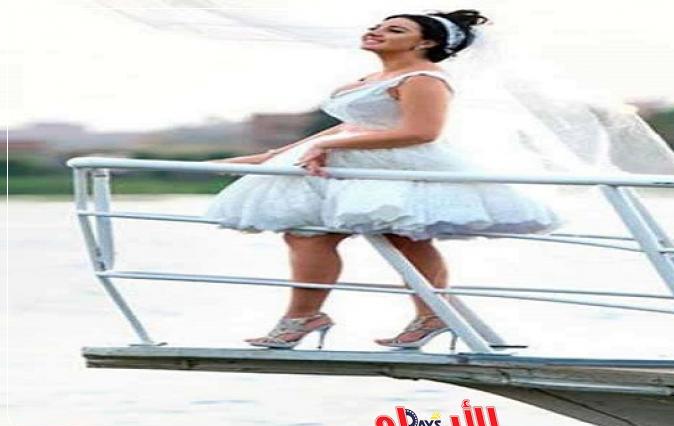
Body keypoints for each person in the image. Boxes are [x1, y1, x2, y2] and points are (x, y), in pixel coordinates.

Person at [202, 9, 564, 351]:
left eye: (395, 30)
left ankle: (430, 314)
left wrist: (329, 145)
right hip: (349, 164)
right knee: (306, 233)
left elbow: (422, 132)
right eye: (377, 26)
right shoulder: (371, 79)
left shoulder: (424, 78)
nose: (376, 31)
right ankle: (305, 317)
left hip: (398, 164)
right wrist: (270, 157)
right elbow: (348, 126)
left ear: (424, 43)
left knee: (405, 236)